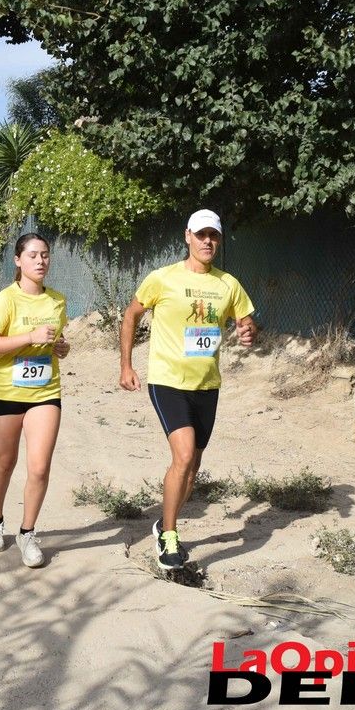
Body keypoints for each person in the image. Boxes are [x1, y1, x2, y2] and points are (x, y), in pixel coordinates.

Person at [119, 209, 256, 570]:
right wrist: (126, 365)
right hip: (167, 381)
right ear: (187, 237)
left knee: (192, 468)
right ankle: (169, 536)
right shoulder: (162, 278)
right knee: (182, 457)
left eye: (213, 235)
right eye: (201, 234)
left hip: (206, 384)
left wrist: (247, 332)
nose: (207, 241)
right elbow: (131, 314)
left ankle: (164, 521)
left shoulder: (229, 284)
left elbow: (246, 322)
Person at [0, 233, 69, 568]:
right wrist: (29, 336)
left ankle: (27, 533)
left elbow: (57, 340)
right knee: (5, 462)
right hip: (6, 393)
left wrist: (60, 347)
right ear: (18, 260)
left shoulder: (57, 300)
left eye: (45, 255)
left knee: (40, 466)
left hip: (45, 392)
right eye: (32, 255)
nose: (40, 261)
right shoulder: (6, 300)